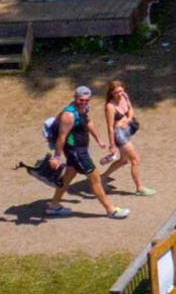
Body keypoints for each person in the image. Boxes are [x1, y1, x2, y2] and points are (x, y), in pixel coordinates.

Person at [57, 85, 126, 219]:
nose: (84, 102)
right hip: (76, 151)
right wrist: (56, 157)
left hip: (81, 149)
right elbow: (61, 137)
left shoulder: (83, 108)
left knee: (67, 178)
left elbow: (87, 122)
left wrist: (98, 139)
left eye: (86, 100)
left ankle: (53, 205)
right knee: (95, 178)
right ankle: (111, 210)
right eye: (81, 99)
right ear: (75, 97)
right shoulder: (68, 115)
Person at [98, 79, 152, 197]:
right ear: (111, 92)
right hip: (119, 135)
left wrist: (128, 119)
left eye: (121, 91)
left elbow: (130, 109)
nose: (119, 94)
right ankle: (139, 188)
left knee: (124, 160)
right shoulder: (110, 107)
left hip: (126, 131)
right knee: (135, 160)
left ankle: (102, 178)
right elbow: (110, 127)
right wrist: (112, 146)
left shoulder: (124, 96)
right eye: (116, 92)